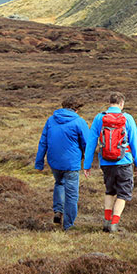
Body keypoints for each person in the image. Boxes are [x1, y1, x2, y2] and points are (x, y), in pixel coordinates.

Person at [84, 92, 137, 233]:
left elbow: (91, 143)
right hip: (124, 161)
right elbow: (135, 141)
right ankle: (114, 225)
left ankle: (106, 222)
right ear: (122, 104)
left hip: (106, 162)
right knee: (123, 194)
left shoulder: (99, 118)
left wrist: (87, 164)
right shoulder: (127, 118)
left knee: (110, 191)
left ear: (109, 102)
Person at [34, 95, 89, 231]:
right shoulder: (79, 122)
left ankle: (58, 211)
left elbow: (43, 142)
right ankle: (68, 225)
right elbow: (87, 144)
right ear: (76, 109)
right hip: (71, 163)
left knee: (59, 183)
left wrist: (39, 163)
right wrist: (87, 162)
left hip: (54, 162)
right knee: (72, 194)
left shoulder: (51, 120)